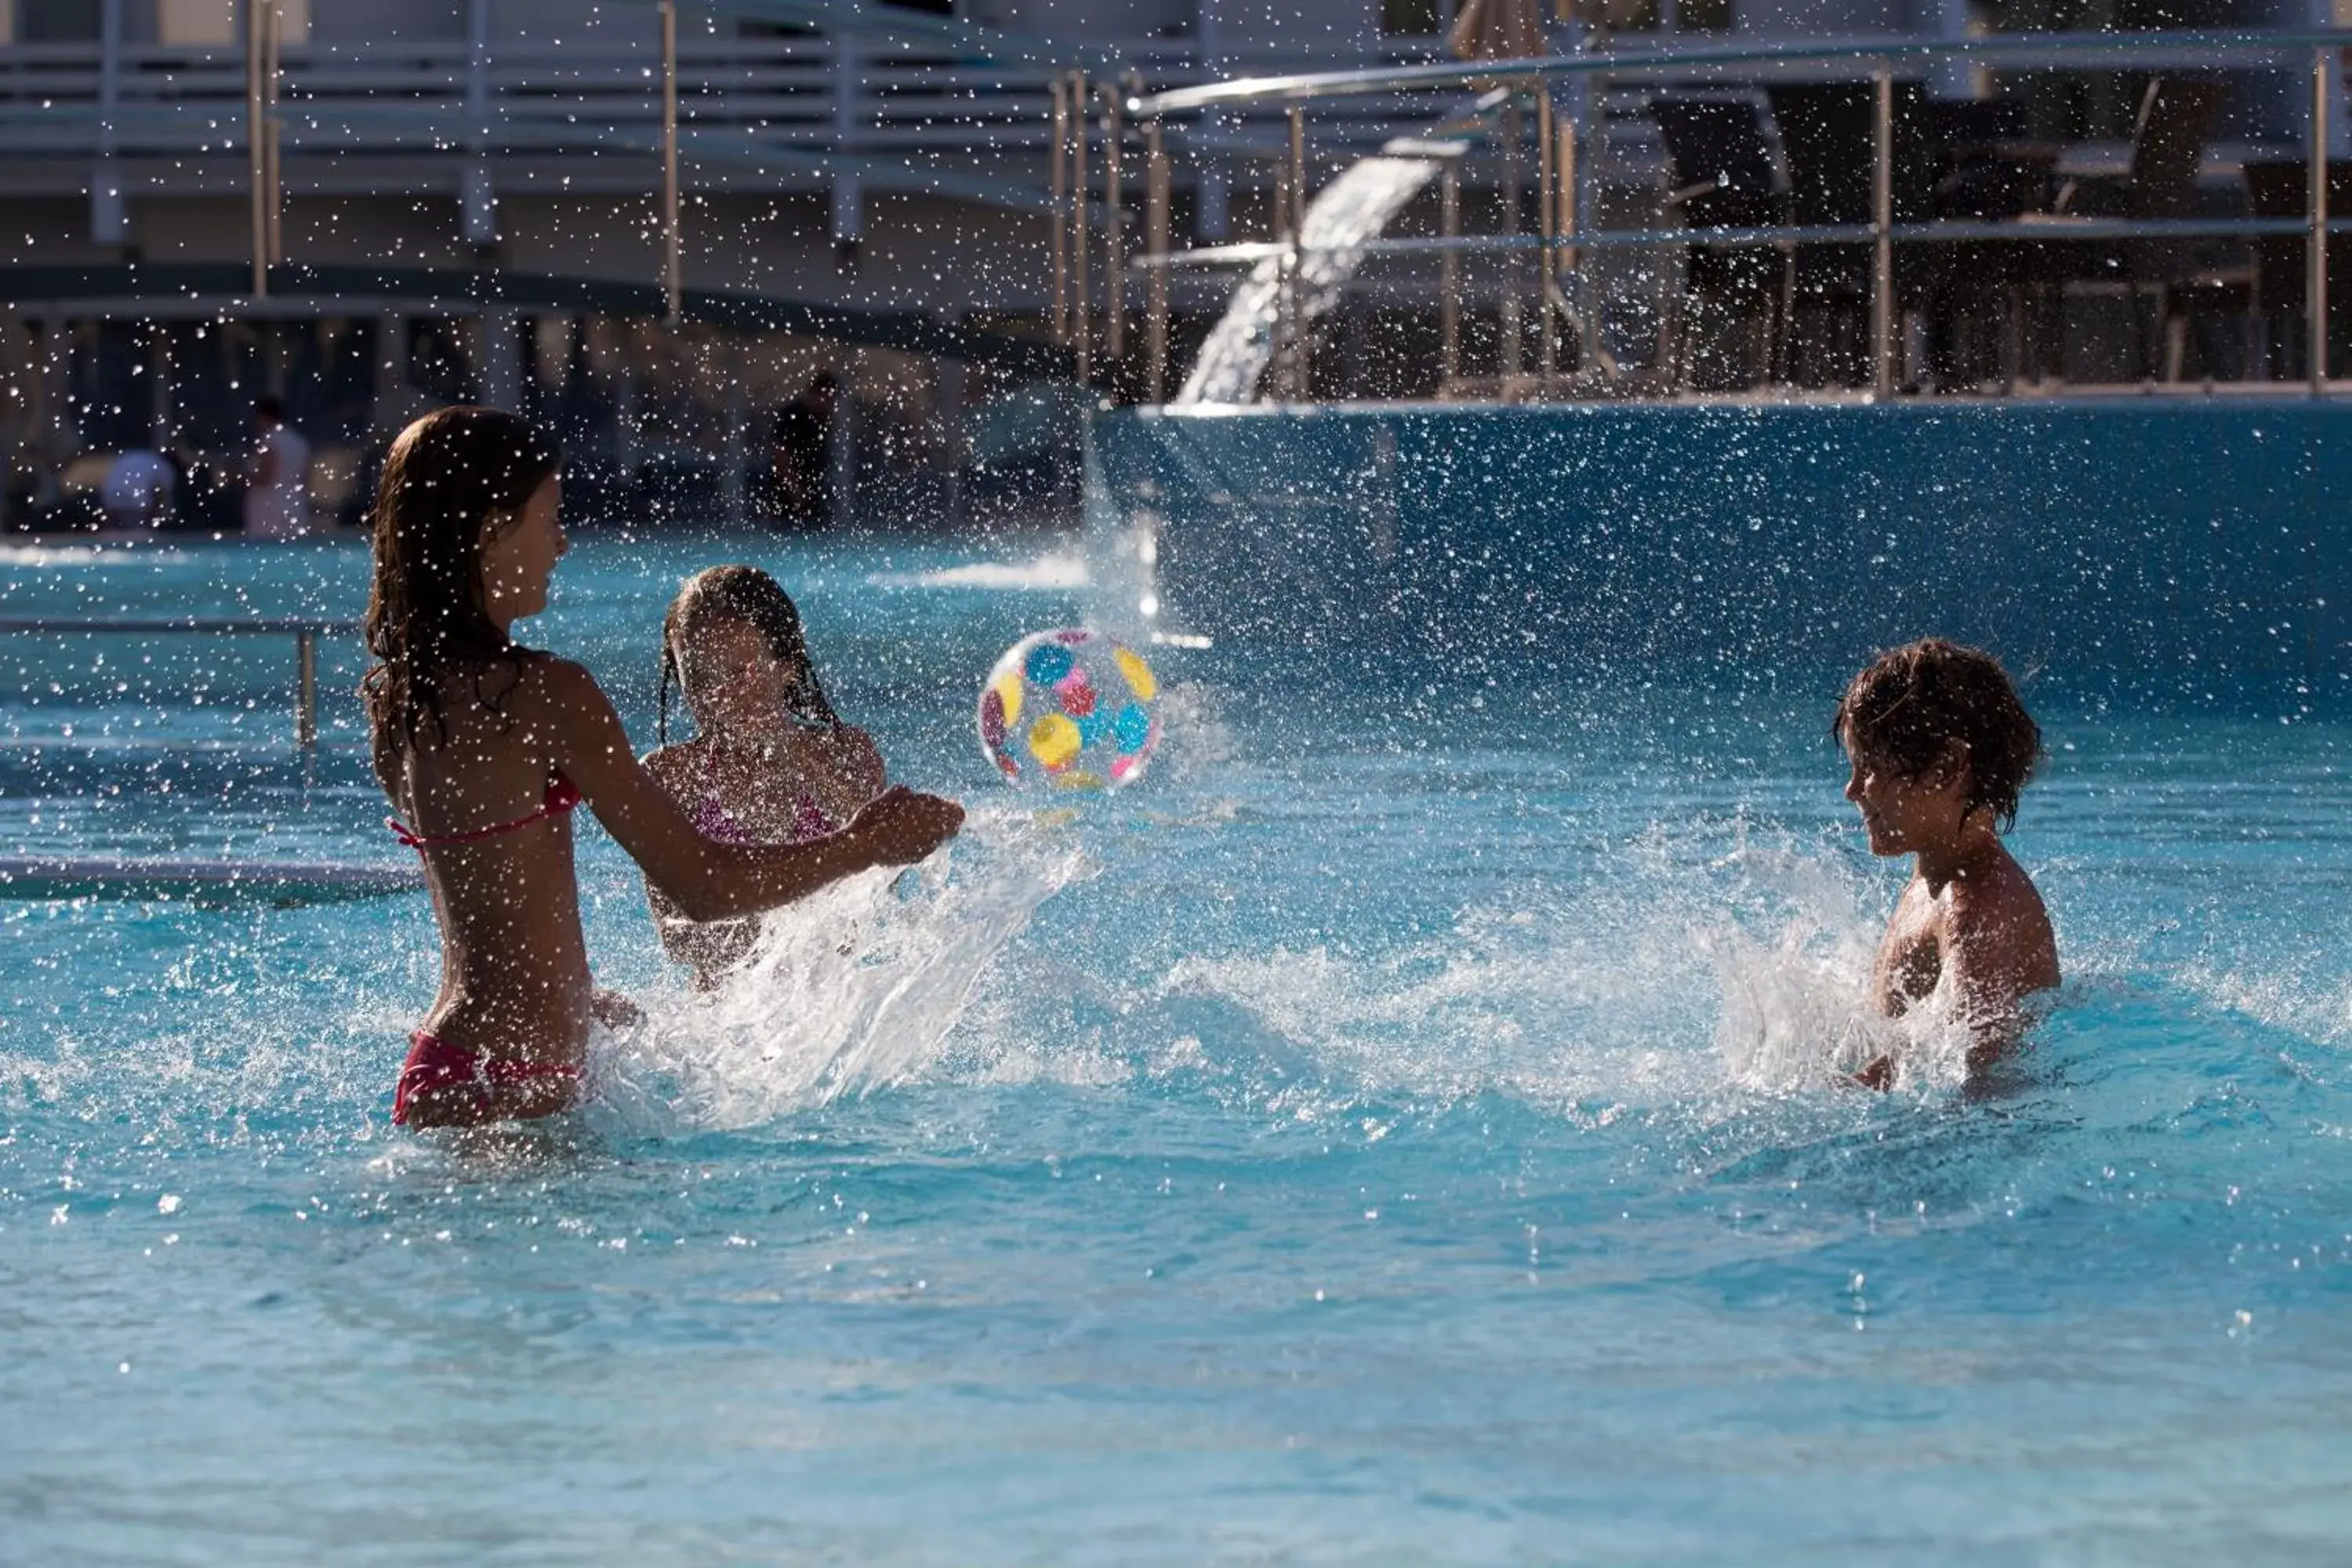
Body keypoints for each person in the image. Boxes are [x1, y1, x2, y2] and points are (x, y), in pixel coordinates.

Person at [363, 407, 963, 1128]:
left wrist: (578, 1000)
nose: (560, 543)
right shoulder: (546, 693)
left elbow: (491, 904)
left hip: (457, 1064)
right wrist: (865, 844)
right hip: (516, 1080)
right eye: (547, 518)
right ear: (491, 530)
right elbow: (705, 887)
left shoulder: (405, 697)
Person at [642, 565, 888, 988]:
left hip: (832, 1009)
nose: (718, 694)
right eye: (699, 677)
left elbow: (884, 872)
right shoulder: (670, 778)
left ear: (786, 666)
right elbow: (677, 939)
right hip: (724, 1022)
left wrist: (794, 753)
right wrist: (788, 930)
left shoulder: (847, 753)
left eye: (738, 673)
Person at [1835, 638, 2059, 1089]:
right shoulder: (1934, 877)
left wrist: (1840, 1094)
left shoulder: (1975, 907)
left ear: (1947, 766)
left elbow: (1977, 1068)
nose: (1853, 790)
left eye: (1869, 767)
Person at [245, 395, 312, 539]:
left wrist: (240, 477)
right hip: (295, 504)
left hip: (270, 507)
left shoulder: (270, 440)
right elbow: (306, 479)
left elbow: (265, 477)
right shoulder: (299, 441)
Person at [100, 446, 176, 530]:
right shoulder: (162, 464)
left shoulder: (126, 456)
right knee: (139, 534)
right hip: (136, 502)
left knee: (114, 534)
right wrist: (165, 517)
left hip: (111, 497)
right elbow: (164, 495)